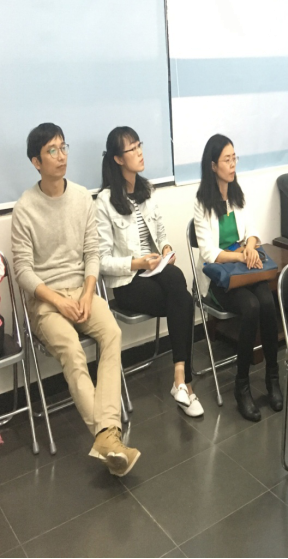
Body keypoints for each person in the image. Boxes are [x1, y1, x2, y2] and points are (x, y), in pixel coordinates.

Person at [11, 123, 140, 476]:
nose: (61, 155)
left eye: (63, 147)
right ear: (36, 162)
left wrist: (86, 292)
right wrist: (58, 301)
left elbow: (92, 253)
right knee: (72, 349)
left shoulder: (83, 197)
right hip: (46, 301)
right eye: (51, 151)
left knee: (112, 333)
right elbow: (23, 271)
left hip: (82, 291)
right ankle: (109, 435)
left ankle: (106, 436)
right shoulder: (25, 208)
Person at [96, 127, 202, 417]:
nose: (140, 152)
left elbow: (161, 233)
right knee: (182, 296)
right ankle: (185, 384)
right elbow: (102, 261)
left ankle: (181, 380)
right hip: (129, 283)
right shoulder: (105, 202)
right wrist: (139, 263)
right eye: (132, 149)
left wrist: (166, 249)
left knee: (178, 287)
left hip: (156, 274)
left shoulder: (147, 191)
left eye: (139, 145)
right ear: (118, 159)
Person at [194, 134, 282, 422]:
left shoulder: (236, 194)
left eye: (234, 158)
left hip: (244, 270)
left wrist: (250, 247)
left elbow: (252, 231)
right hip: (220, 278)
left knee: (267, 302)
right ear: (213, 166)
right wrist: (242, 255)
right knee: (251, 307)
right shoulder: (202, 203)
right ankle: (241, 386)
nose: (233, 164)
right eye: (227, 160)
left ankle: (272, 377)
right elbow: (209, 253)